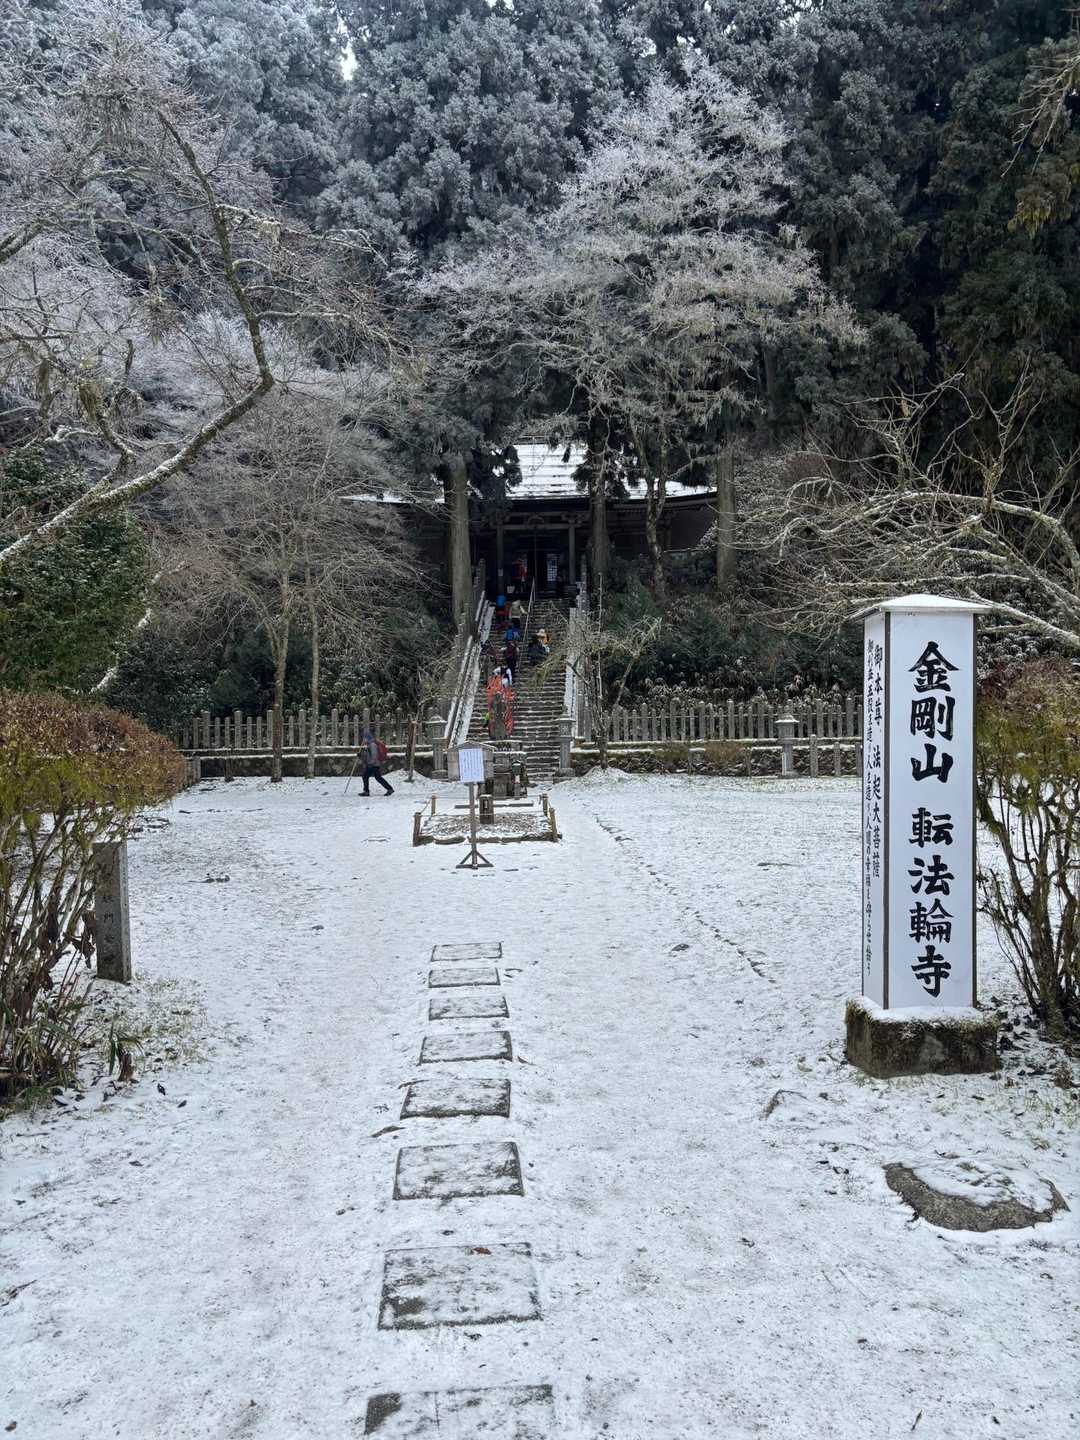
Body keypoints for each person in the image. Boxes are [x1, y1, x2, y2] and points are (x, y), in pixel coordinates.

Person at [358, 728, 393, 796]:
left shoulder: (372, 745)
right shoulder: (369, 745)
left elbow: (374, 755)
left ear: (367, 738)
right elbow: (368, 755)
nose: (363, 740)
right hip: (373, 764)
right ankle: (389, 789)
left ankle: (366, 791)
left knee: (366, 776)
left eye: (364, 738)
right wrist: (361, 755)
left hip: (373, 765)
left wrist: (371, 763)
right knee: (376, 777)